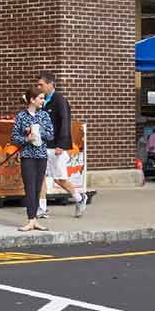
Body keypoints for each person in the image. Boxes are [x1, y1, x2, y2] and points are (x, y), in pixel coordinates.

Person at [36, 73, 91, 213]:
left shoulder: (60, 100)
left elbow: (65, 122)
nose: (39, 87)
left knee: (59, 179)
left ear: (51, 84)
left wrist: (61, 144)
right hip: (43, 145)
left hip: (56, 147)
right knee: (40, 176)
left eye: (41, 85)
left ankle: (79, 198)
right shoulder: (42, 101)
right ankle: (42, 208)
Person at [13, 91, 56, 231]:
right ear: (32, 100)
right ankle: (30, 219)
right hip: (27, 156)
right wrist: (27, 137)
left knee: (37, 189)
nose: (43, 101)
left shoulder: (44, 115)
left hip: (41, 156)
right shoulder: (21, 116)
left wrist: (38, 132)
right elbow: (14, 137)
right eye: (41, 98)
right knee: (29, 188)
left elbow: (51, 135)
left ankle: (35, 220)